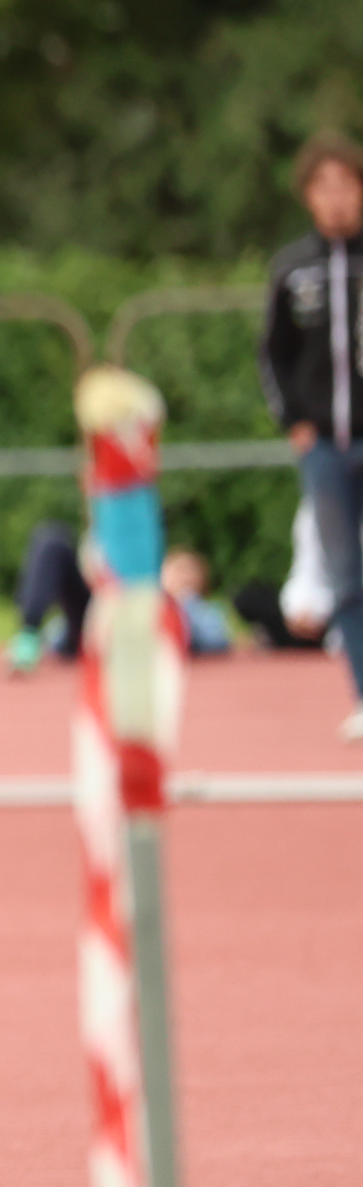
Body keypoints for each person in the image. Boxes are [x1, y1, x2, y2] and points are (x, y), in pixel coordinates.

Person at [259, 128, 363, 737]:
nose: (337, 198)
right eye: (324, 187)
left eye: (346, 184)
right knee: (345, 575)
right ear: (308, 196)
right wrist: (293, 421)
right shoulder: (293, 268)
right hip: (324, 446)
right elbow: (272, 354)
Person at [6, 523, 230, 671]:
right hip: (100, 620)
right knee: (52, 540)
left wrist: (181, 602)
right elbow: (57, 639)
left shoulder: (200, 611)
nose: (184, 577)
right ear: (162, 570)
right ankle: (27, 634)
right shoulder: (141, 579)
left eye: (191, 574)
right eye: (179, 569)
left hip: (136, 637)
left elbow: (216, 640)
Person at [234, 500, 340, 651]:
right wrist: (299, 610)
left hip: (341, 612)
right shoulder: (313, 510)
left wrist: (324, 613)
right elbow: (305, 568)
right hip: (315, 614)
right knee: (247, 598)